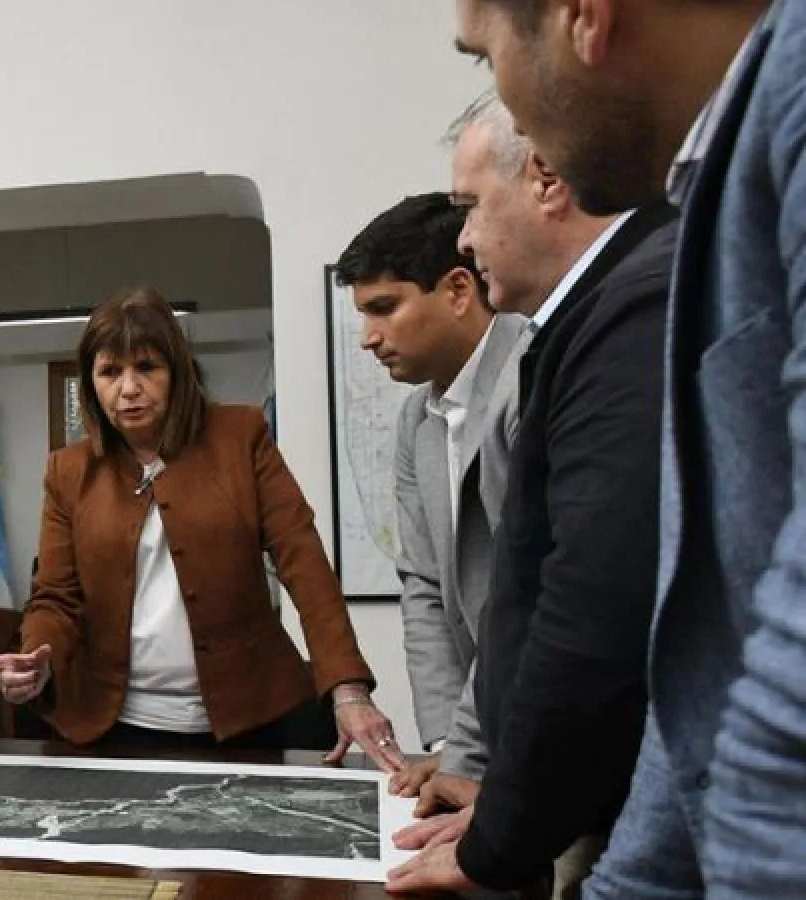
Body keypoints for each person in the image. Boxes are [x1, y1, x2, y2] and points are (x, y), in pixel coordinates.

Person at [452, 0, 804, 895]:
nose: (503, 93)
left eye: (484, 52)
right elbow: (704, 661)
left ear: (583, 16)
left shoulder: (791, 96)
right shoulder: (716, 195)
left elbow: (607, 605)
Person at [384, 87, 678, 897]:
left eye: (470, 208)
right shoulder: (588, 318)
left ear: (545, 179)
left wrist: (503, 835)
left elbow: (591, 604)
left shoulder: (634, 308)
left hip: (635, 805)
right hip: (571, 796)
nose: (465, 237)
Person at [0, 287, 403, 771]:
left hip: (248, 718)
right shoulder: (68, 470)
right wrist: (38, 656)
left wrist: (348, 689)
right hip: (110, 725)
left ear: (177, 372)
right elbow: (55, 596)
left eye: (146, 367)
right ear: (91, 384)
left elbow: (303, 561)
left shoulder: (241, 437)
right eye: (110, 372)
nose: (129, 388)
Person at [335, 192, 526, 805]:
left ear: (458, 290)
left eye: (384, 308)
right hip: (485, 732)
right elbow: (422, 582)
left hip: (560, 723)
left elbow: (525, 591)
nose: (368, 339)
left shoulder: (533, 379)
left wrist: (467, 754)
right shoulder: (417, 418)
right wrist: (447, 743)